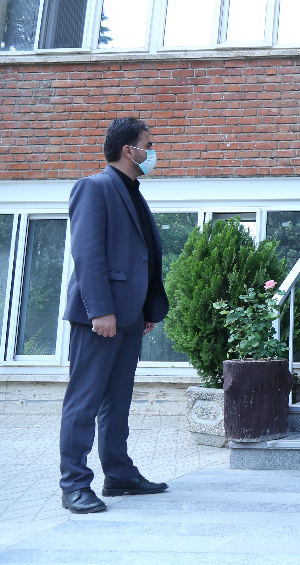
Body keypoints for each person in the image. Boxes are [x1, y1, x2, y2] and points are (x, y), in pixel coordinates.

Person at [59, 117, 170, 515]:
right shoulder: (94, 187)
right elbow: (87, 254)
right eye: (148, 145)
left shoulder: (133, 192)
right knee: (84, 401)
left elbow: (141, 256)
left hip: (130, 317)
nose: (152, 153)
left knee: (117, 401)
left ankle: (119, 474)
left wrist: (145, 309)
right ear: (129, 150)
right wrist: (101, 310)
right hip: (100, 317)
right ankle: (74, 484)